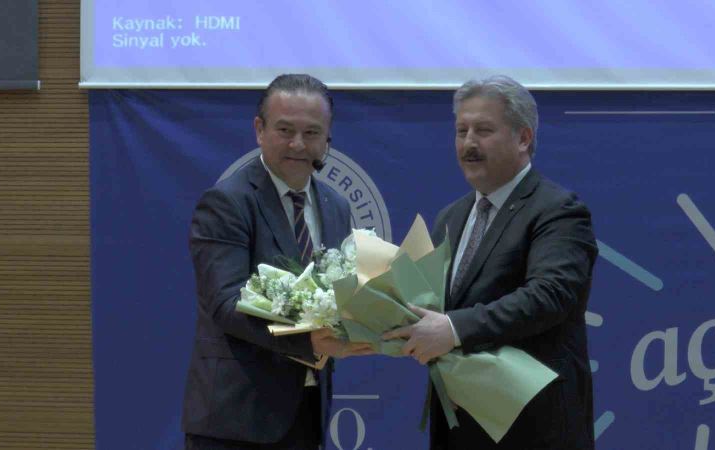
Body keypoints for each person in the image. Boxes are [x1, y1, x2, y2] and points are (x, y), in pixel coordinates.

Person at [384, 75, 598, 449]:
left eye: (483, 130)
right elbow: (428, 309)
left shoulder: (558, 210)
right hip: (459, 426)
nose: (469, 143)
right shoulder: (450, 217)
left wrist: (454, 329)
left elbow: (549, 296)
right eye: (461, 131)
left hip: (533, 428)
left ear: (523, 138)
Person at [182, 74, 373, 450]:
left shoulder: (336, 205)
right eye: (285, 130)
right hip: (234, 420)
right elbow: (226, 303)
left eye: (312, 133)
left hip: (308, 413)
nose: (298, 144)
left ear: (328, 139)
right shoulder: (228, 202)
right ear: (259, 129)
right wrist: (308, 341)